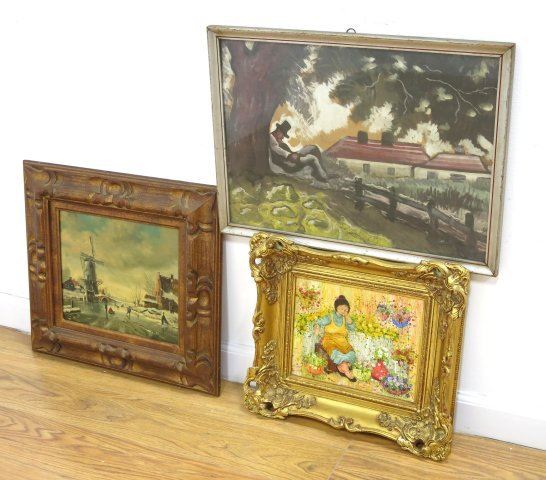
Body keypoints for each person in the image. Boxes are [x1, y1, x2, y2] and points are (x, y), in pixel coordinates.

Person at [269, 120, 334, 184]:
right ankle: (323, 177)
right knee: (312, 158)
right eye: (283, 134)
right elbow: (279, 151)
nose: (283, 137)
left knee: (313, 148)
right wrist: (291, 155)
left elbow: (285, 151)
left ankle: (322, 172)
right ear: (278, 131)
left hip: (292, 156)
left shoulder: (277, 140)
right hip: (290, 163)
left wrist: (295, 154)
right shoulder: (272, 140)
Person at [313, 295, 357, 381]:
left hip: (342, 341)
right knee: (336, 352)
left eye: (346, 310)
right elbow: (318, 322)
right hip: (330, 339)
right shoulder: (330, 317)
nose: (344, 311)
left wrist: (347, 317)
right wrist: (317, 326)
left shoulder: (345, 318)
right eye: (342, 308)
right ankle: (346, 370)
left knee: (351, 354)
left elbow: (352, 328)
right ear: (337, 307)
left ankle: (342, 367)